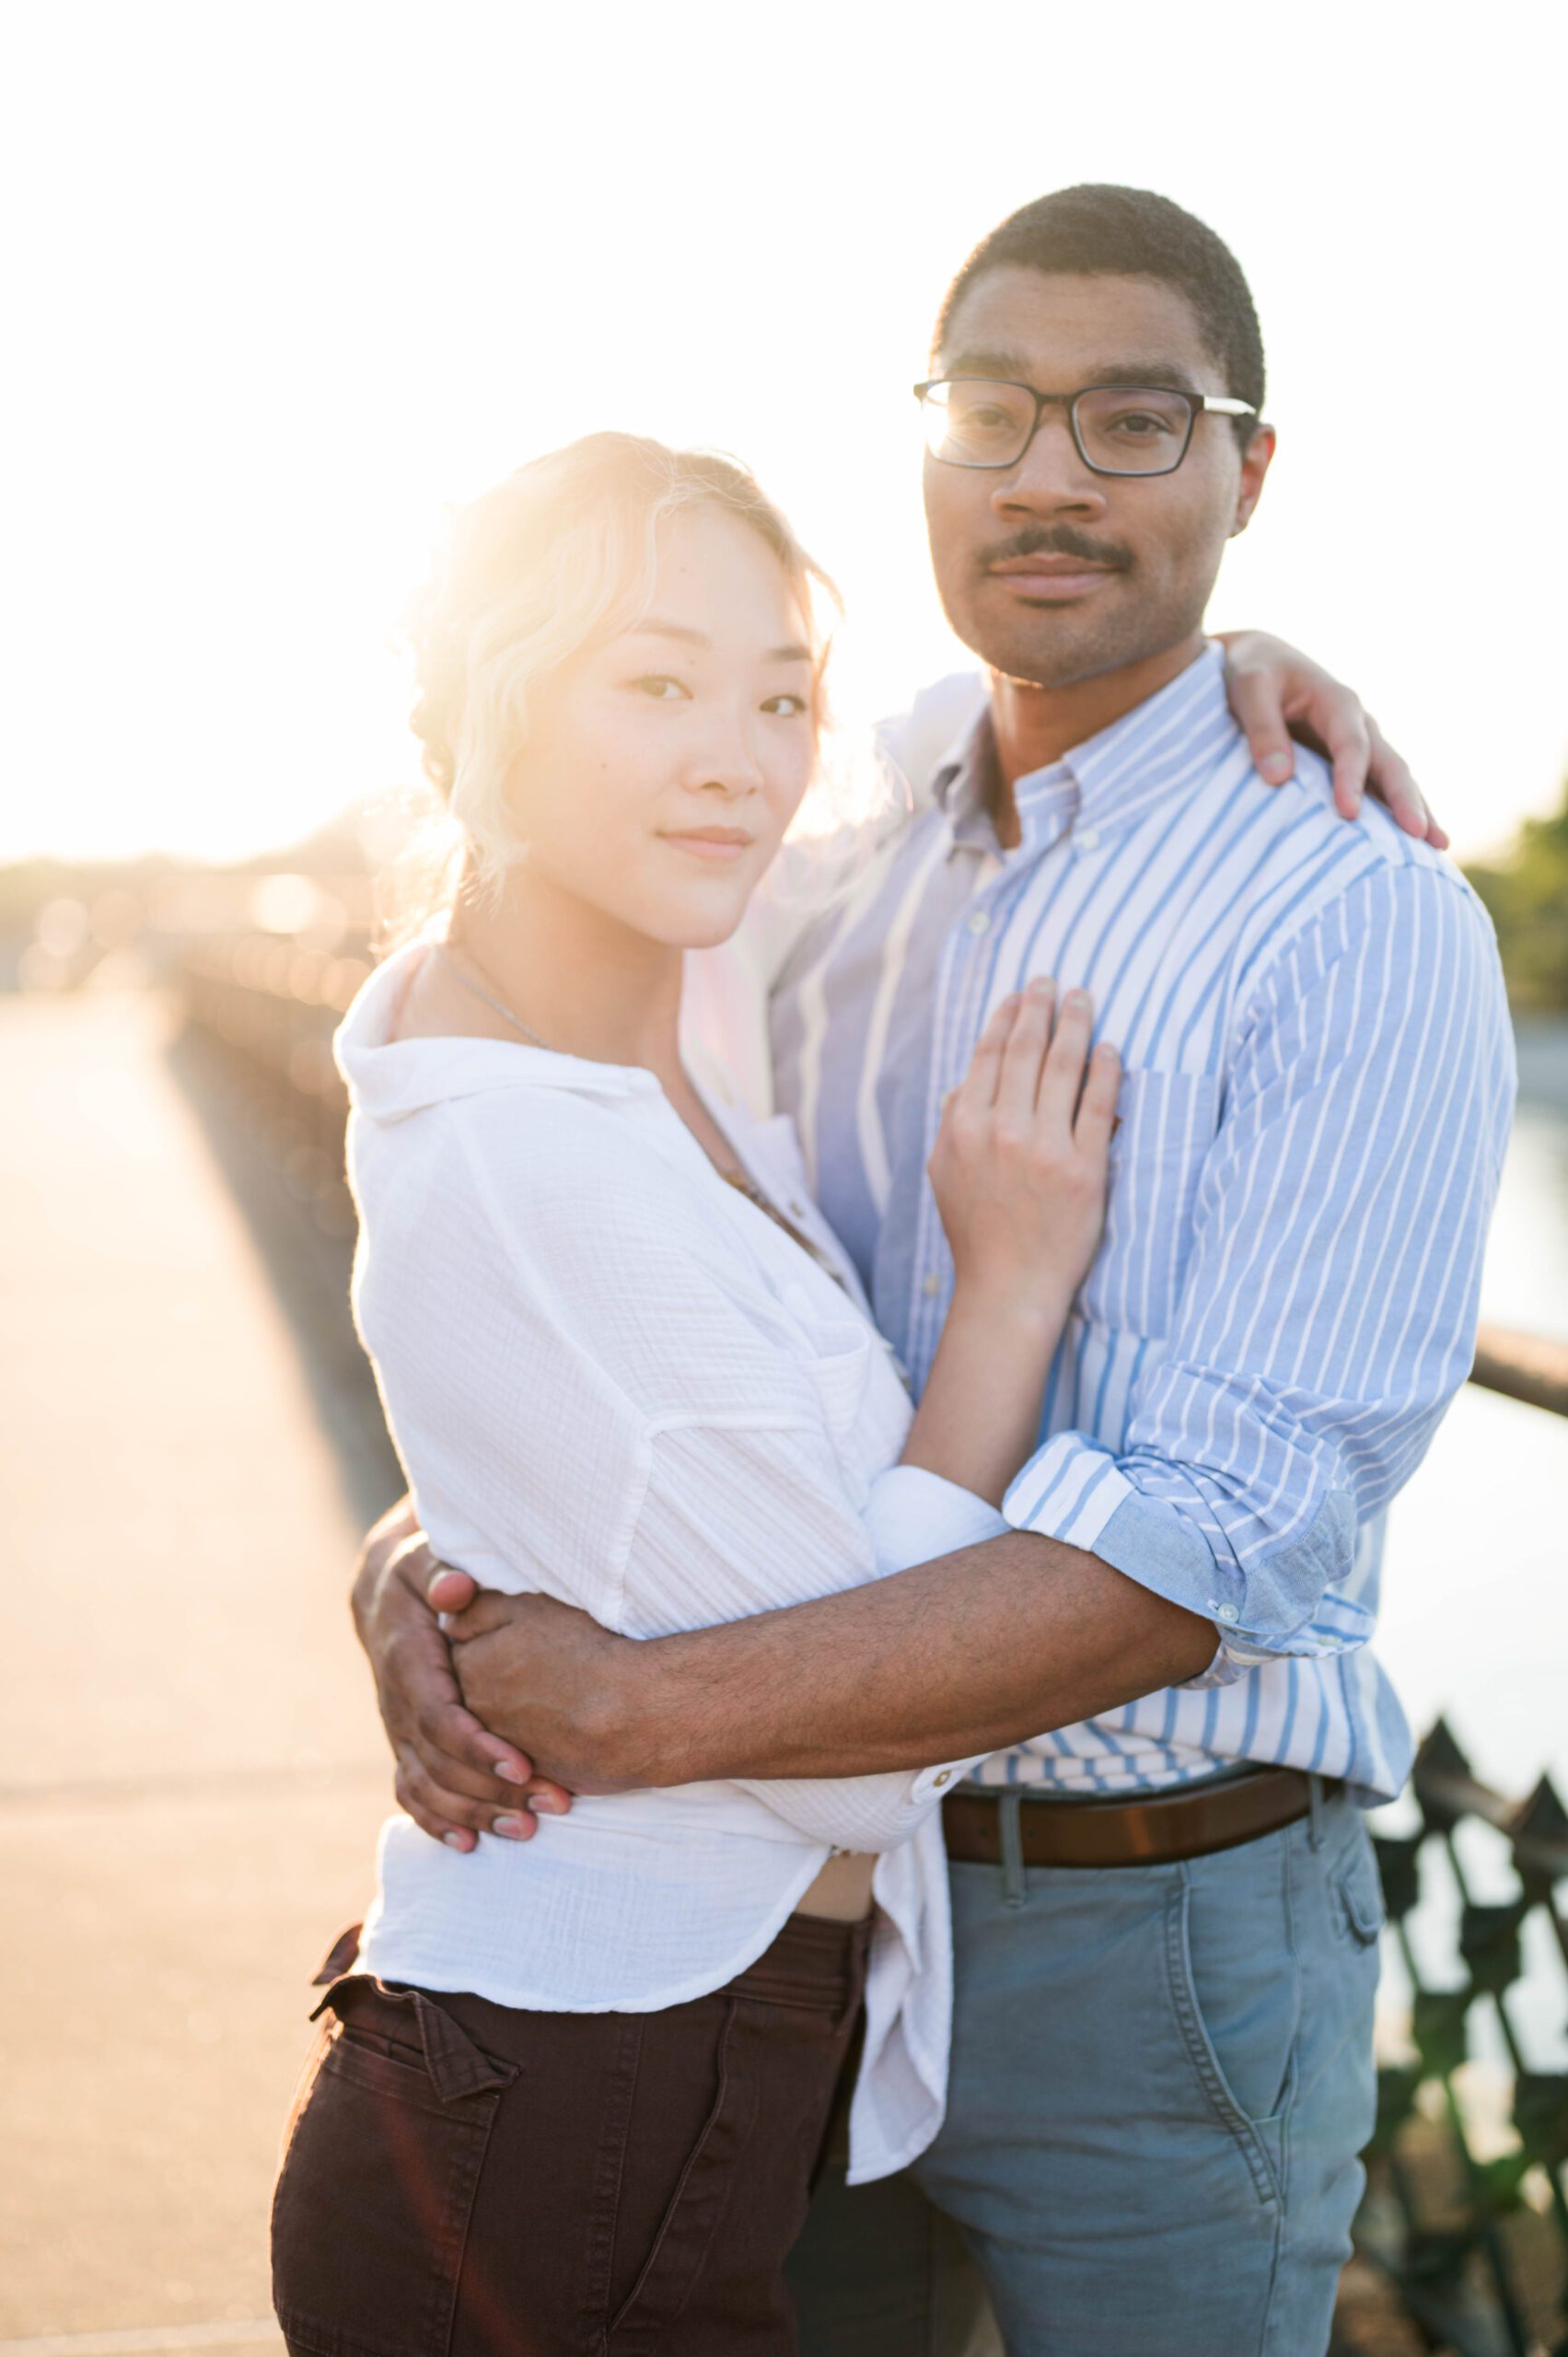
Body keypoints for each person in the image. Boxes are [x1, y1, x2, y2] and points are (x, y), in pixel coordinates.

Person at [356, 188, 1515, 2356]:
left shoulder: (1354, 914)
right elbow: (634, 1290)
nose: (1054, 473)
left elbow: (1220, 1536)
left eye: (1137, 421)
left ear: (1247, 476)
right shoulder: (828, 849)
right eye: (997, 411)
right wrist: (420, 1560)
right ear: (925, 451)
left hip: (1144, 1933)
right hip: (771, 1940)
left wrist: (631, 1701)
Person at [273, 432, 1141, 2355]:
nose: (737, 758)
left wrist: (1230, 660)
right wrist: (1005, 1297)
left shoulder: (656, 988)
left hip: (654, 2089)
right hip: (571, 2119)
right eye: (652, 681)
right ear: (492, 704)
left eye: (777, 695)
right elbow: (862, 1748)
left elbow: (960, 733)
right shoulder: (531, 1148)